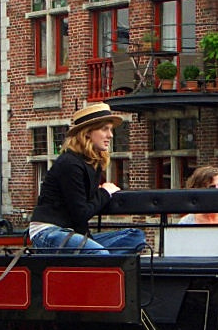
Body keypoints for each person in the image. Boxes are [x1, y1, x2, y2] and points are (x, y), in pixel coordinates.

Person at [27, 102, 148, 254]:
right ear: (88, 133)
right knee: (100, 254)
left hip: (74, 233)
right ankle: (100, 265)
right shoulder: (70, 164)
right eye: (105, 129)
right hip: (49, 232)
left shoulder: (92, 163)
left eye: (110, 130)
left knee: (136, 237)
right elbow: (80, 214)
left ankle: (94, 265)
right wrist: (105, 192)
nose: (110, 135)